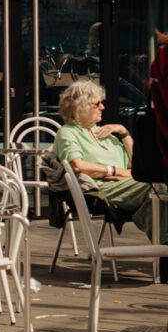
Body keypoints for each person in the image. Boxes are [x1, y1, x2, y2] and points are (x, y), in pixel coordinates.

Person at [51, 79, 155, 239]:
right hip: (98, 191)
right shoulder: (68, 133)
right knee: (155, 188)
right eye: (97, 103)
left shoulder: (105, 133)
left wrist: (124, 133)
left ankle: (162, 250)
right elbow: (77, 165)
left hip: (124, 186)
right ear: (81, 106)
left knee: (154, 201)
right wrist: (115, 171)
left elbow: (137, 166)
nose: (102, 107)